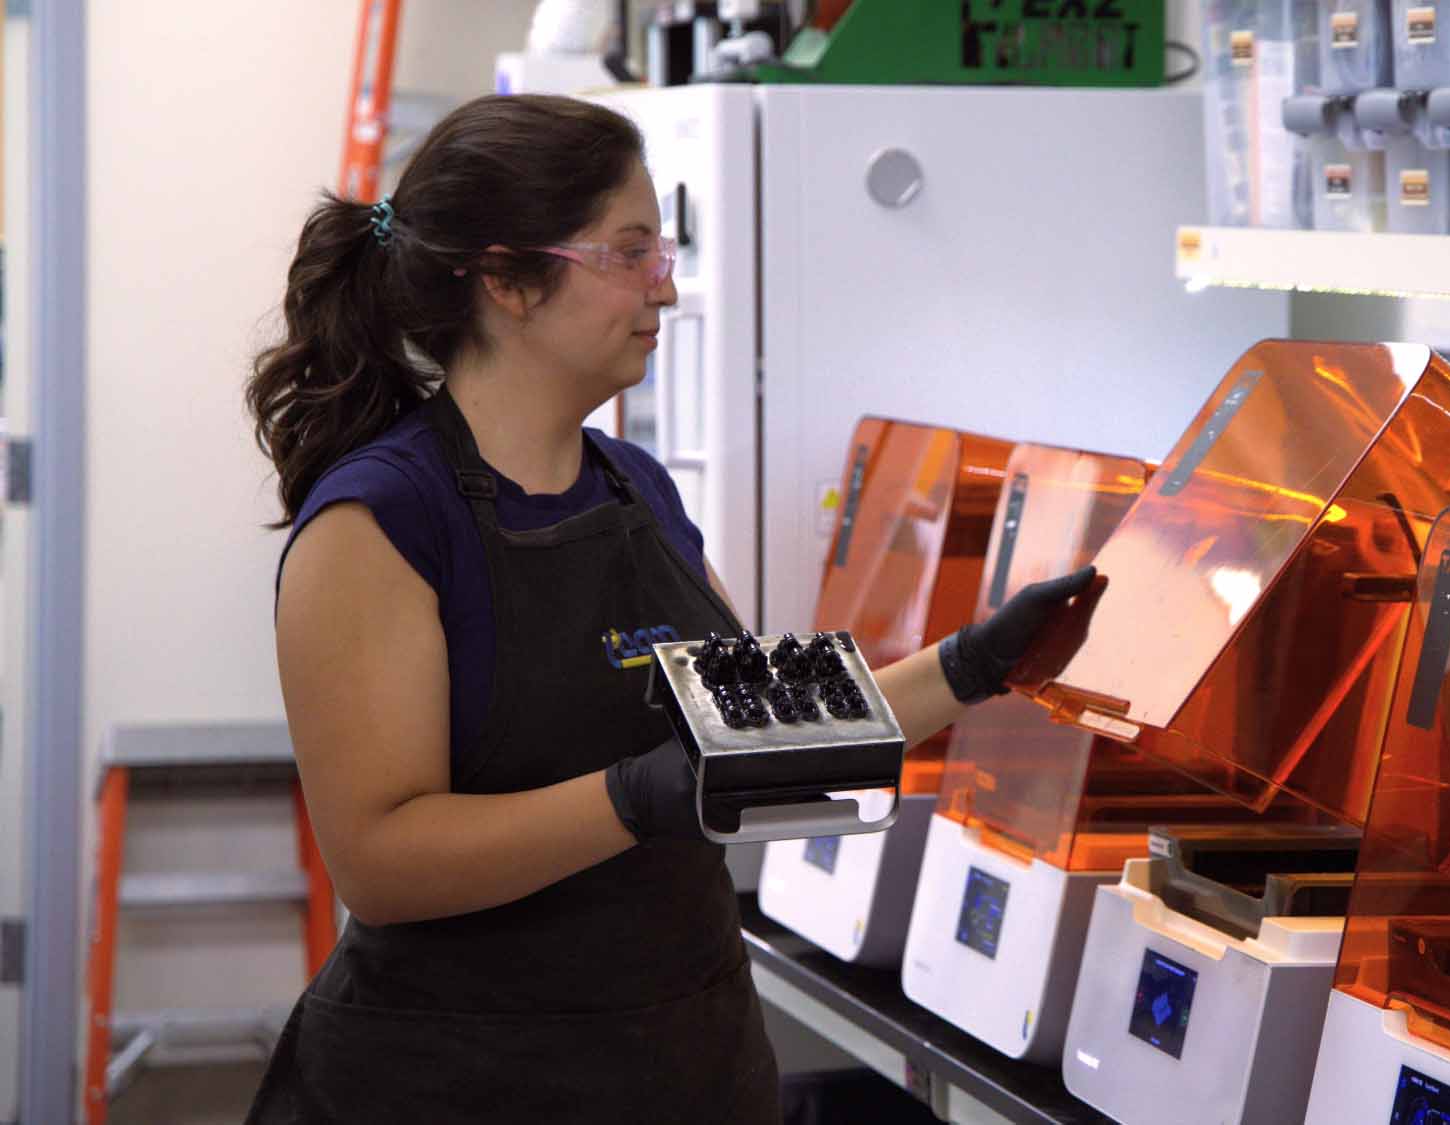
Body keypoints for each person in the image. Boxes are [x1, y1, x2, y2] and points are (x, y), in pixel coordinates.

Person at [242, 93, 1094, 1122]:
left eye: (663, 250)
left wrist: (975, 666)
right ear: (510, 280)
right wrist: (634, 796)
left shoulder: (636, 488)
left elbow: (758, 727)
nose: (668, 286)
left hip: (682, 1065)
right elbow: (381, 864)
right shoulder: (379, 522)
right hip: (460, 1081)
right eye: (629, 252)